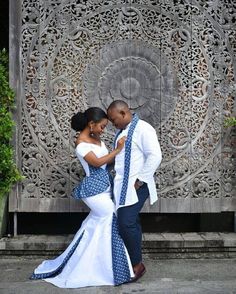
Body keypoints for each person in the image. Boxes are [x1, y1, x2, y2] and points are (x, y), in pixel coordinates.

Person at [30, 107, 134, 288]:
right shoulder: (81, 144)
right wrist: (118, 150)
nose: (103, 130)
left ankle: (92, 265)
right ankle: (105, 269)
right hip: (93, 191)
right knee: (111, 218)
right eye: (101, 126)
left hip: (104, 187)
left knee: (95, 226)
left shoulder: (95, 138)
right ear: (91, 124)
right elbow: (98, 162)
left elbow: (105, 161)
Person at [107, 100, 162, 282]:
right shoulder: (121, 131)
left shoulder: (144, 129)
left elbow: (155, 156)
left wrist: (140, 180)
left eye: (114, 120)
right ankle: (133, 262)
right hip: (123, 185)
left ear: (123, 113)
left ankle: (138, 265)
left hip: (137, 185)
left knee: (126, 222)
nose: (113, 124)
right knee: (132, 222)